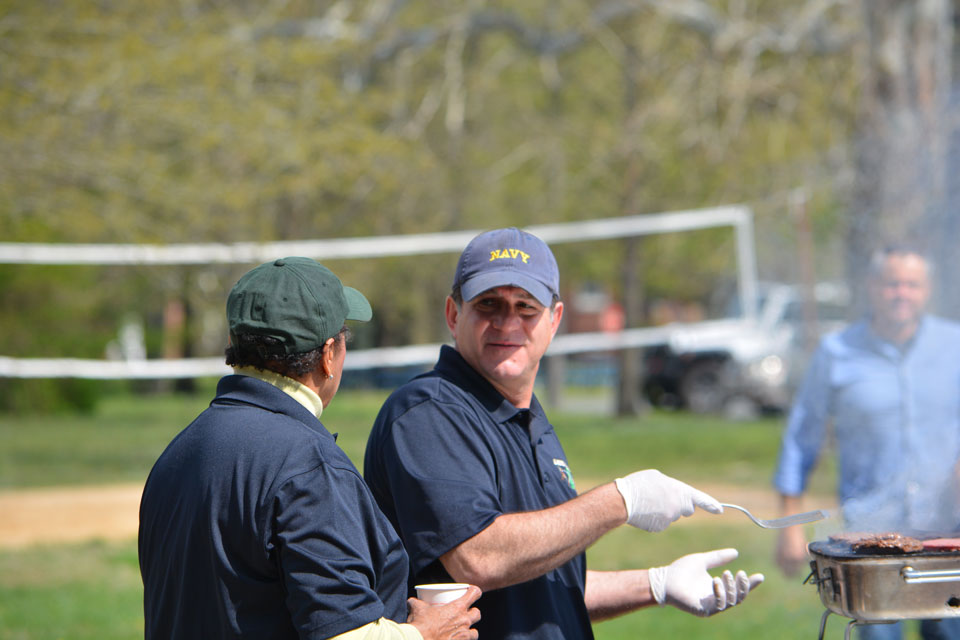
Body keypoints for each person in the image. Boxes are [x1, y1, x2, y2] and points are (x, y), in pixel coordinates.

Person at [363, 228, 764, 640]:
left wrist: (656, 583)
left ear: (554, 321)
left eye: (526, 308)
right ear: (453, 314)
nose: (507, 323)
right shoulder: (430, 411)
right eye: (488, 305)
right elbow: (479, 557)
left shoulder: (532, 423)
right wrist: (621, 500)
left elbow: (545, 585)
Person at [139, 257, 481, 640]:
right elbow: (342, 632)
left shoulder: (178, 453)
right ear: (327, 355)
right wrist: (424, 634)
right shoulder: (307, 467)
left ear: (236, 342)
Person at [773, 245, 960, 640]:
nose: (901, 293)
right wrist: (790, 526)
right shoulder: (837, 352)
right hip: (870, 540)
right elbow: (801, 438)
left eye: (912, 284)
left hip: (948, 533)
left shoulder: (954, 345)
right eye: (892, 283)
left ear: (926, 290)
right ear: (873, 287)